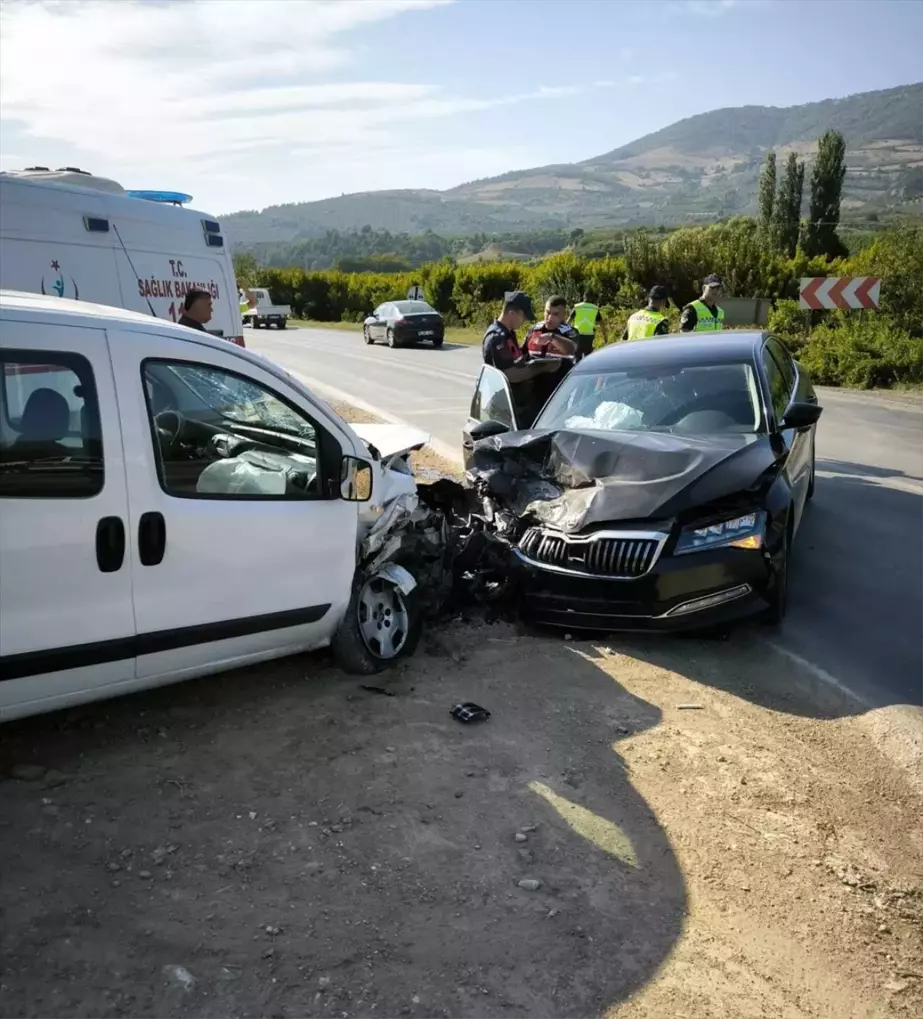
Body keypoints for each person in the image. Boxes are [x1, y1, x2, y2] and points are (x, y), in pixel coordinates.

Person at [481, 292, 562, 384]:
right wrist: (542, 368)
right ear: (512, 313)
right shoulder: (497, 338)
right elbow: (511, 375)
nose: (524, 321)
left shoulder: (508, 333)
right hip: (505, 396)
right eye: (523, 317)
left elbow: (517, 362)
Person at [523, 295, 579, 359]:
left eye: (555, 314)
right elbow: (522, 351)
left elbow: (571, 350)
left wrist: (552, 337)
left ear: (564, 314)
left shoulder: (570, 332)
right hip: (534, 368)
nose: (550, 318)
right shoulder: (534, 329)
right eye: (548, 312)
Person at [568, 293, 608, 358]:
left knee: (577, 357)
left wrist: (565, 333)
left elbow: (568, 321)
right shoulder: (594, 308)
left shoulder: (578, 307)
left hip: (577, 335)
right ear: (592, 298)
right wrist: (605, 336)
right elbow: (602, 324)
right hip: (589, 336)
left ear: (583, 297)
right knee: (588, 357)